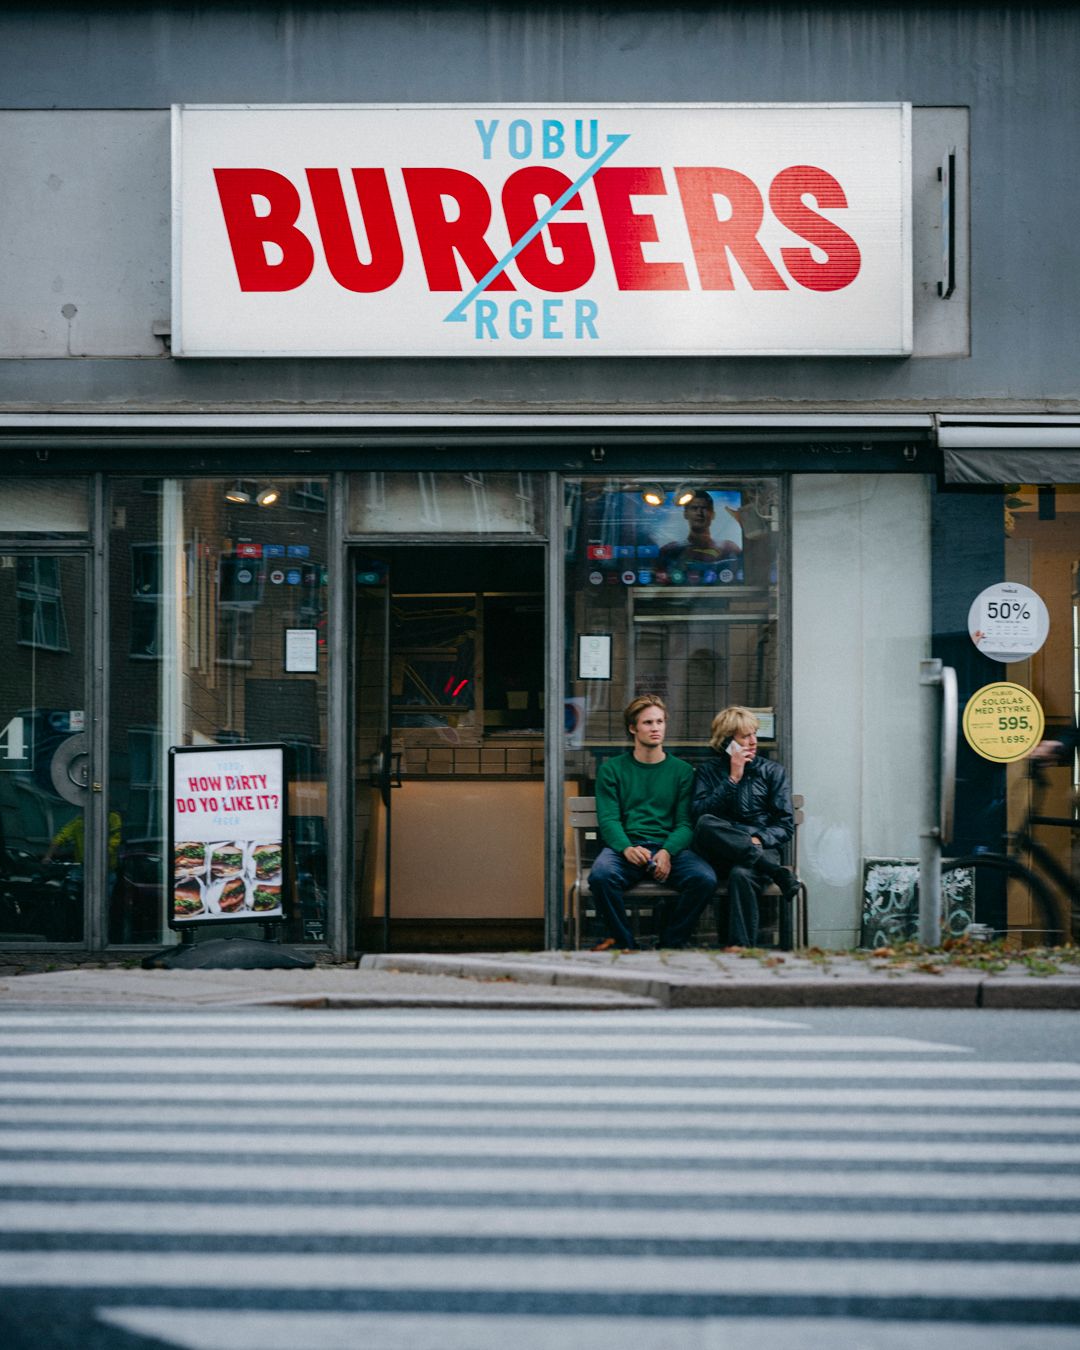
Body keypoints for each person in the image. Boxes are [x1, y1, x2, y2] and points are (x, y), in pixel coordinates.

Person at [590, 694, 717, 951]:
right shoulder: (612, 770)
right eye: (648, 722)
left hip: (668, 849)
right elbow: (609, 818)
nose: (655, 728)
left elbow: (685, 823)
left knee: (704, 879)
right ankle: (626, 944)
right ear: (633, 728)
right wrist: (626, 848)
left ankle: (670, 944)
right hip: (627, 847)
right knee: (601, 876)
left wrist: (667, 852)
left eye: (660, 721)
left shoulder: (682, 771)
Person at [691, 706, 797, 948]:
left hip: (759, 847)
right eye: (745, 736)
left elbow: (784, 824)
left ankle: (739, 948)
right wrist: (733, 779)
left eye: (754, 734)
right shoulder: (708, 772)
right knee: (705, 823)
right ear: (727, 742)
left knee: (742, 874)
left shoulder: (772, 772)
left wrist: (758, 838)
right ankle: (775, 871)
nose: (753, 741)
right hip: (720, 853)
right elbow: (698, 815)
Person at [658, 490, 741, 569]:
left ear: (713, 514)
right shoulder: (670, 551)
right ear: (685, 514)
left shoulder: (729, 549)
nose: (699, 513)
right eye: (694, 508)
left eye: (704, 508)